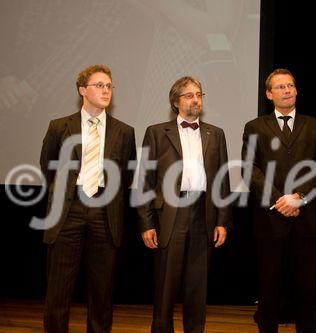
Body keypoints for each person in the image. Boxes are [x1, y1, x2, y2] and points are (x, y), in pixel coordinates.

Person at [40, 64, 137, 333]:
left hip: (105, 212)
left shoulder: (124, 131)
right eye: (99, 85)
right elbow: (48, 168)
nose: (106, 90)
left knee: (102, 291)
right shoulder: (60, 127)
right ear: (83, 90)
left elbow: (128, 173)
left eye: (109, 86)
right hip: (68, 211)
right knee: (59, 290)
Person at [137, 76, 231, 333]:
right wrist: (146, 223)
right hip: (171, 214)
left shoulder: (216, 133)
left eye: (199, 94)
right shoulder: (156, 133)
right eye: (189, 95)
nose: (196, 99)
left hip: (203, 213)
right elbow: (145, 181)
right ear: (175, 101)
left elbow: (223, 182)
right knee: (166, 287)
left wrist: (222, 221)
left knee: (197, 288)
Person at [242, 68, 316, 333]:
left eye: (290, 85)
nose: (287, 90)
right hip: (270, 219)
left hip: (307, 218)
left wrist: (298, 197)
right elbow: (250, 169)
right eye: (280, 87)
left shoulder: (315, 126)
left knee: (306, 289)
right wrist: (280, 200)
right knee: (269, 287)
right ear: (269, 94)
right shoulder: (255, 127)